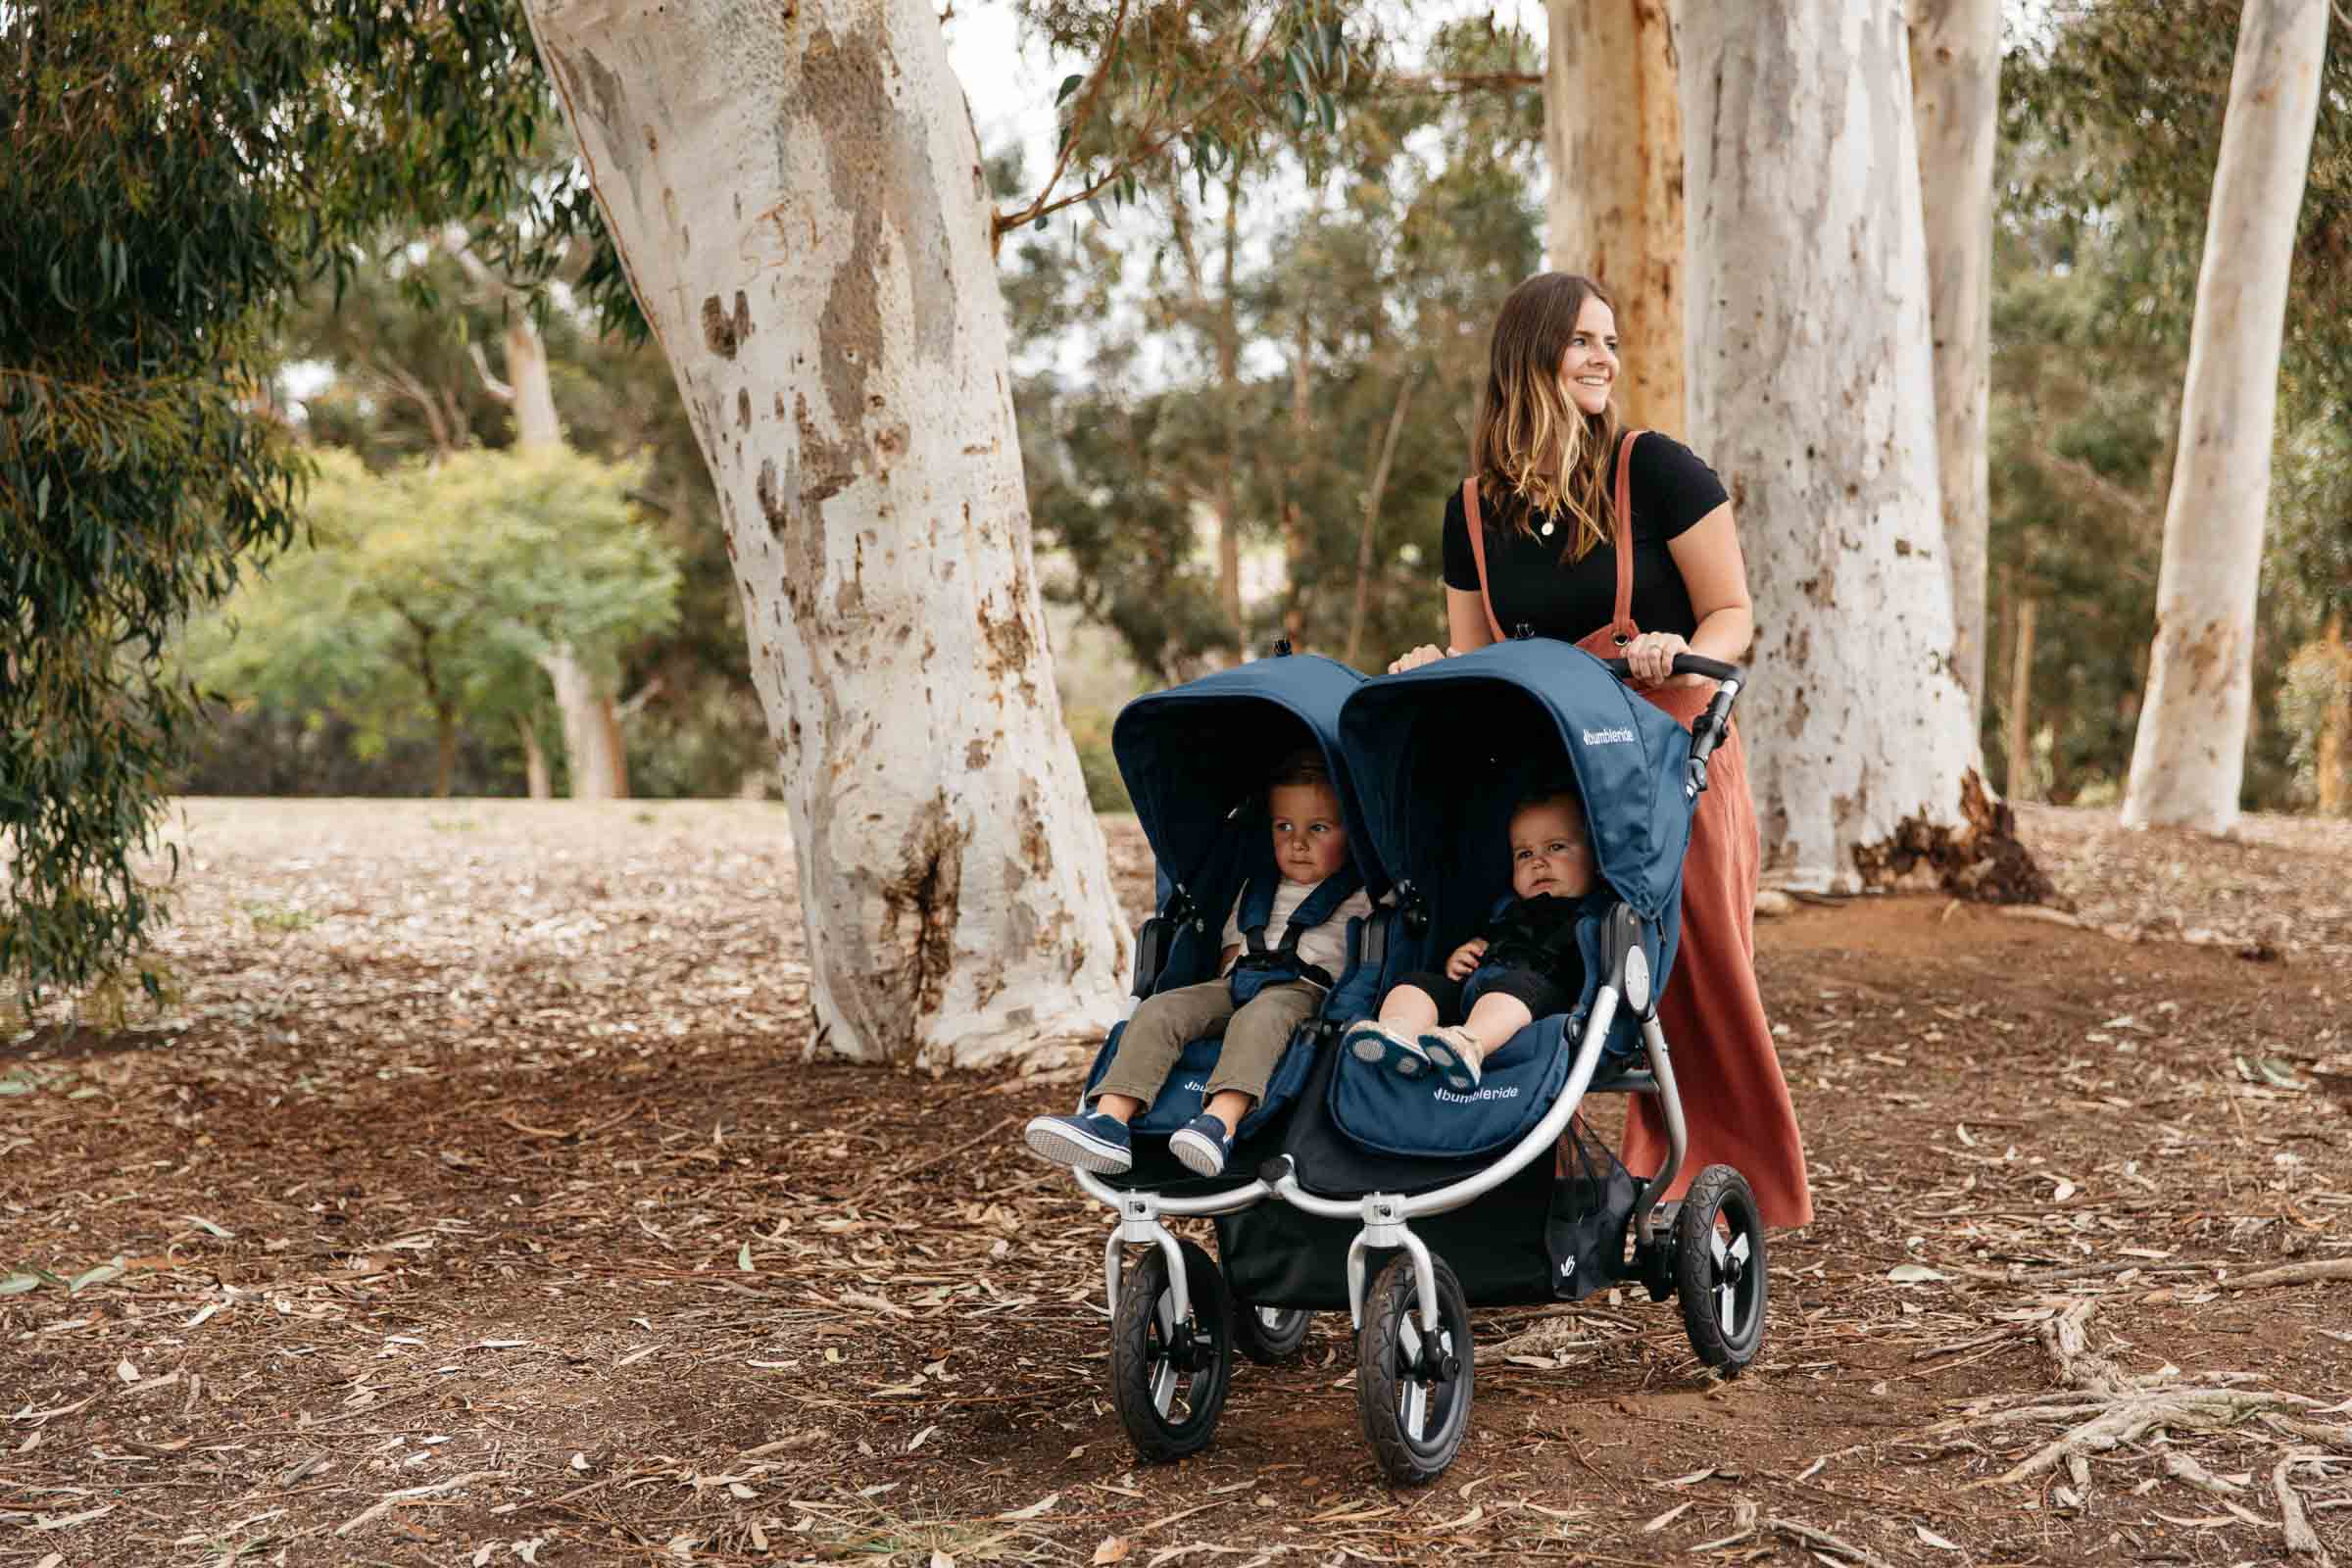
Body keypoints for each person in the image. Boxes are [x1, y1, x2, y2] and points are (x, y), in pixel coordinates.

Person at [1387, 270, 1812, 1229]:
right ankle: (1514, 1178)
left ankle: (1728, 1187)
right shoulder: (1471, 513)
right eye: (1582, 339)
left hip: (1668, 751)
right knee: (1539, 958)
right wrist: (1431, 665)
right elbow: (1477, 657)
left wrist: (1676, 645)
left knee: (1689, 976)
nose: (1603, 358)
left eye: (1611, 343)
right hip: (1554, 766)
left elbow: (1733, 611)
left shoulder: (1655, 468)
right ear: (1529, 356)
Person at [1024, 750, 1374, 1180]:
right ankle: (1109, 1121)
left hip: (1302, 991)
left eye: (1318, 828)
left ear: (1351, 834)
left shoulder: (1365, 894)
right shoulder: (1257, 887)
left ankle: (1218, 1123)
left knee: (1259, 1019)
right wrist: (1217, 994)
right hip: (1239, 980)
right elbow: (1231, 948)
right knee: (1161, 1009)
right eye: (1284, 827)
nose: (1297, 842)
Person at [1343, 786, 1593, 1094]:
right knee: (1416, 983)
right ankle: (1401, 1034)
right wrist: (1460, 957)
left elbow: (1592, 971)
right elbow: (1484, 943)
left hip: (1536, 1000)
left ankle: (1469, 1045)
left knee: (1515, 989)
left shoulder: (1591, 916)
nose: (1537, 862)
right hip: (1473, 993)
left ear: (1593, 855)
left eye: (1556, 847)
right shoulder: (1505, 908)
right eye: (1524, 854)